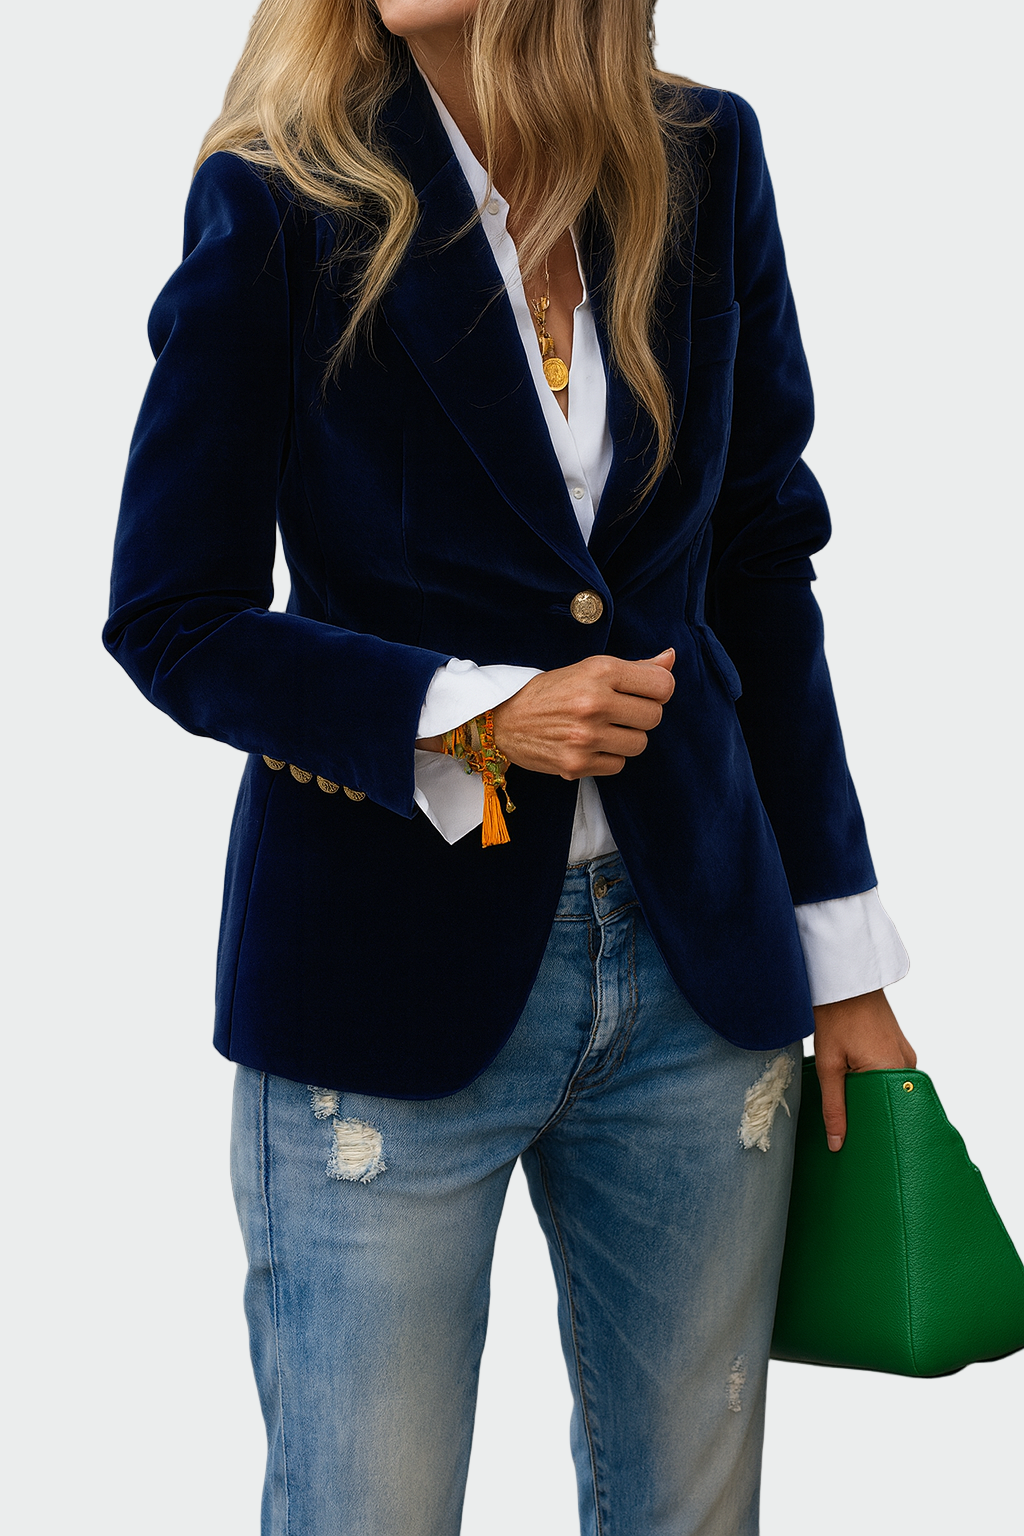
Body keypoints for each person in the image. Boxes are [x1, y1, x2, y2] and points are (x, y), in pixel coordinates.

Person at [103, 1, 918, 1530]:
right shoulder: (280, 191)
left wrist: (847, 967)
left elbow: (761, 567)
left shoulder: (706, 156)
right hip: (379, 980)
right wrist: (470, 715)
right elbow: (173, 615)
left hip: (699, 974)